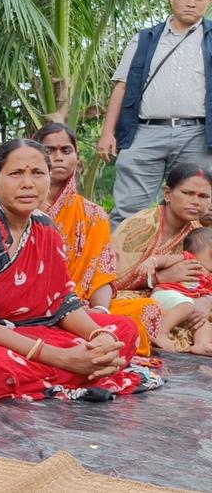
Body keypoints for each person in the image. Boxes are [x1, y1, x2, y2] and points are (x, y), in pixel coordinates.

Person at [0, 139, 163, 402]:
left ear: (49, 179)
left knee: (123, 329)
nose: (28, 183)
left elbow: (63, 303)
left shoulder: (45, 227)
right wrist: (61, 357)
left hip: (36, 330)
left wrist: (99, 336)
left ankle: (75, 367)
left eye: (37, 173)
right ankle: (81, 369)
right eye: (16, 173)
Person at [33, 123, 162, 355]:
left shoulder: (93, 215)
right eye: (49, 150)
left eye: (65, 150)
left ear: (77, 157)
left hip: (80, 308)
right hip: (27, 306)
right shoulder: (20, 207)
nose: (58, 157)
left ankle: (76, 336)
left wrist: (100, 310)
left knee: (146, 309)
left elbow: (101, 274)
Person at [98, 0, 212, 226]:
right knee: (128, 211)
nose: (192, 3)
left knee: (198, 212)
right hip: (144, 132)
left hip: (197, 135)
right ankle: (119, 266)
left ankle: (192, 266)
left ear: (209, 1)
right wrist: (108, 133)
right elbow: (122, 87)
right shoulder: (144, 39)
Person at [112, 163, 212, 352]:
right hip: (134, 297)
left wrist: (206, 302)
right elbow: (109, 281)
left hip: (185, 300)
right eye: (188, 193)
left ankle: (201, 344)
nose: (196, 201)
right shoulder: (141, 225)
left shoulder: (198, 233)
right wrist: (159, 278)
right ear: (167, 194)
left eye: (203, 196)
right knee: (146, 311)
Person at [150, 228, 212, 354]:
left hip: (185, 302)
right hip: (165, 294)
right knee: (187, 306)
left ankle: (202, 344)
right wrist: (152, 261)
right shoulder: (188, 258)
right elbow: (165, 260)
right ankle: (160, 333)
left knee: (201, 319)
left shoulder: (209, 276)